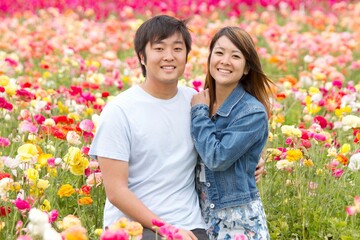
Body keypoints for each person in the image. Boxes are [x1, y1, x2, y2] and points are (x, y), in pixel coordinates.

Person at [89, 15, 265, 240]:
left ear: (186, 56)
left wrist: (252, 161)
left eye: (177, 48)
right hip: (134, 227)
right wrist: (166, 229)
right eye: (159, 48)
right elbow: (116, 192)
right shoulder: (119, 111)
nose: (169, 56)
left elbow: (221, 147)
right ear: (142, 57)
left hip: (191, 225)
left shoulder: (196, 103)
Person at [190, 26, 272, 240]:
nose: (225, 61)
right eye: (219, 53)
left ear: (246, 68)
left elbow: (217, 158)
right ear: (210, 58)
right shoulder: (199, 101)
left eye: (235, 56)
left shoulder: (251, 112)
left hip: (237, 223)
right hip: (198, 218)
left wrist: (198, 113)